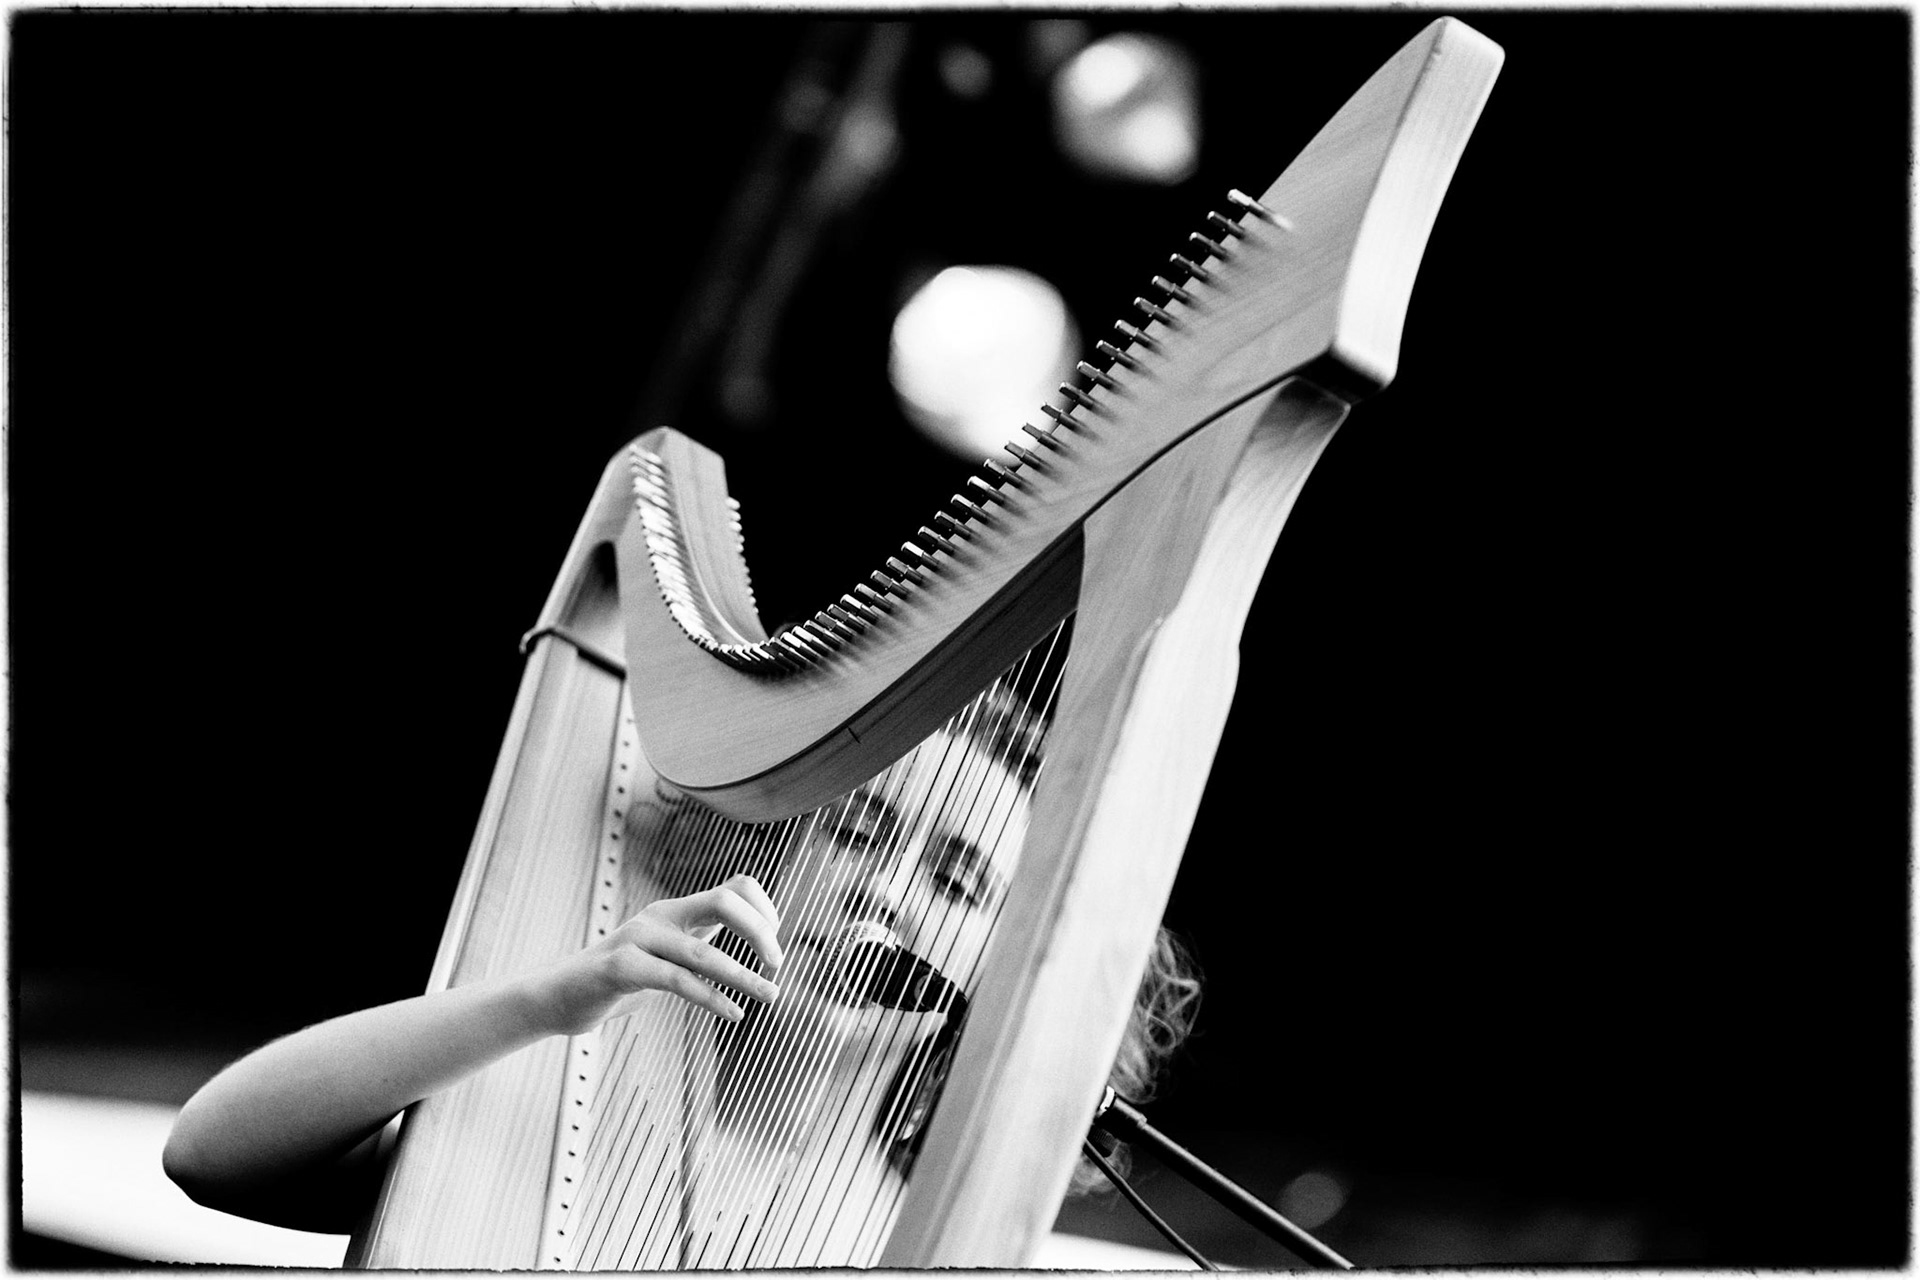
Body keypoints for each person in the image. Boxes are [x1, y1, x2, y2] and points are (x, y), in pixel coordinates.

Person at [164, 684, 1199, 1264]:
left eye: (957, 880)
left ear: (1011, 962)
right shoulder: (575, 1068)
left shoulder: (940, 1232)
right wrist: (546, 997)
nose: (884, 890)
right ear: (782, 855)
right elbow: (214, 1154)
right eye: (857, 831)